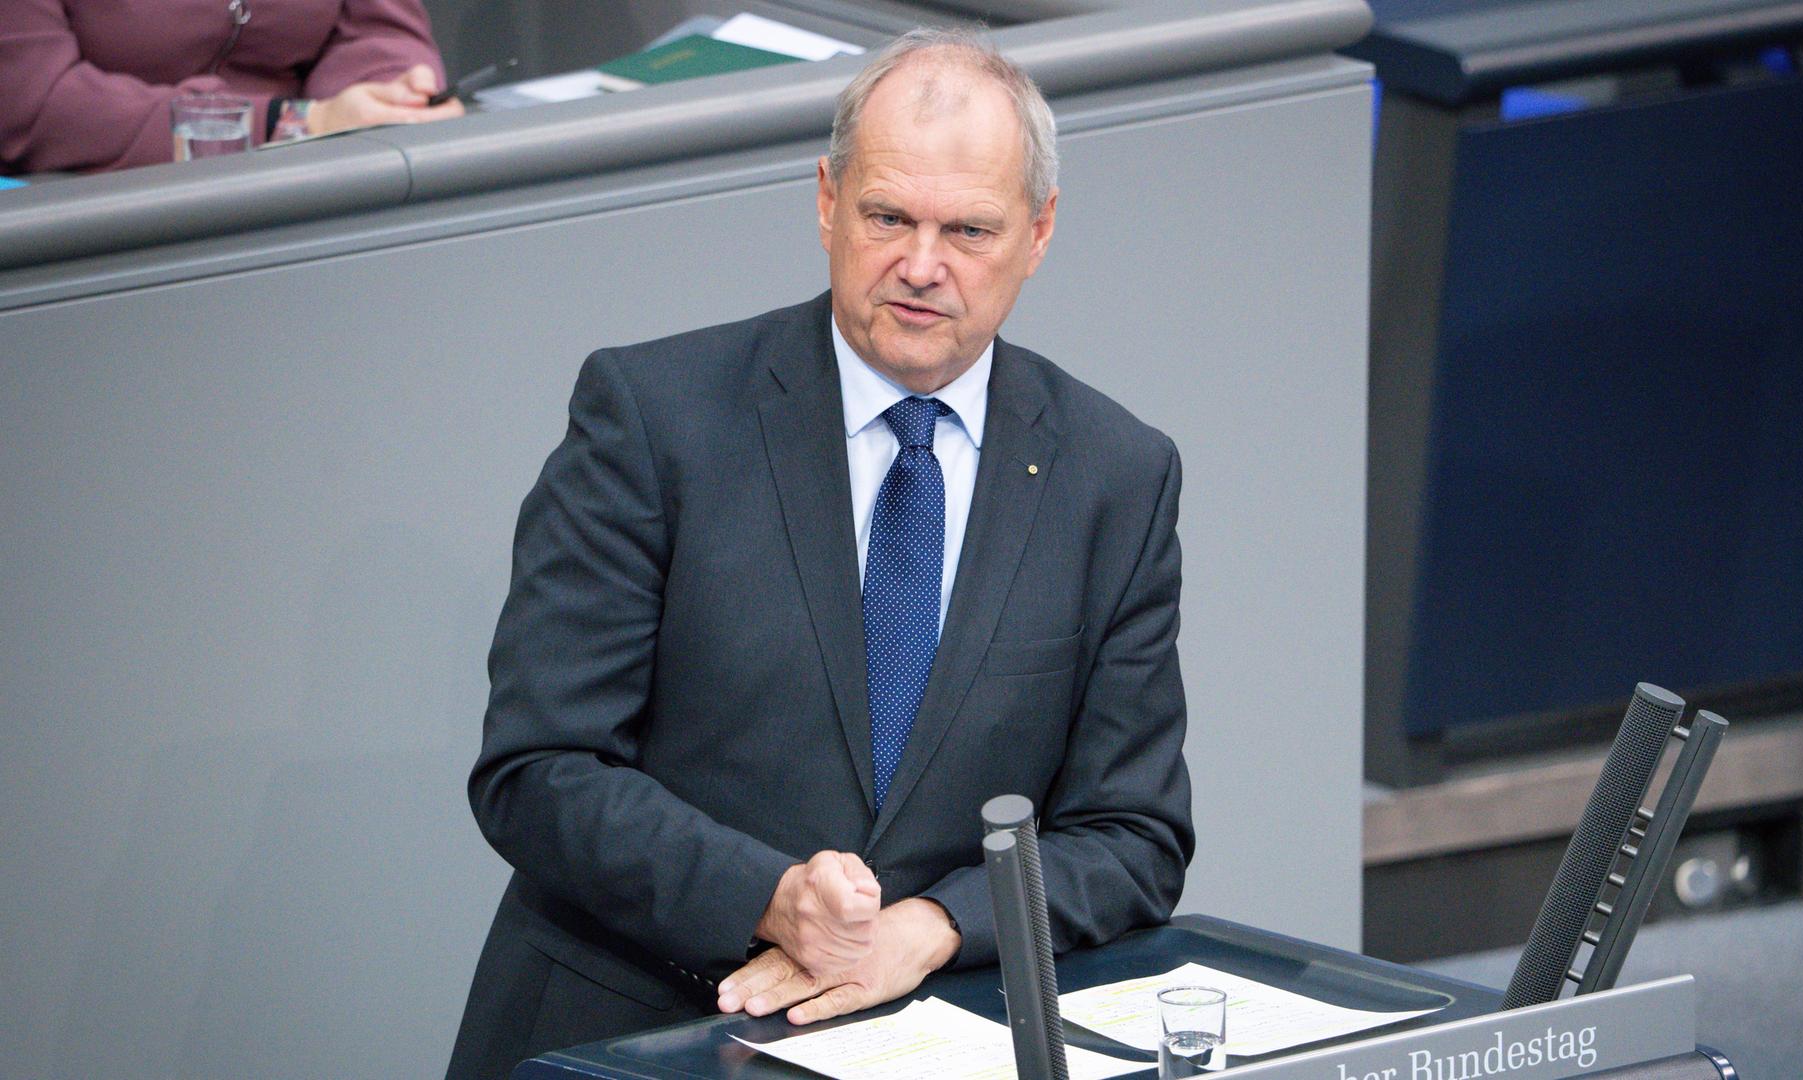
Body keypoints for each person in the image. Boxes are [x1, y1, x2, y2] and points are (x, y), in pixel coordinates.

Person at [445, 27, 1194, 1079]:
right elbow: (537, 770)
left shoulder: (1115, 473)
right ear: (826, 200)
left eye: (969, 230)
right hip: (637, 1035)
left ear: (1039, 231)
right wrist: (768, 897)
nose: (922, 267)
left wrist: (931, 923)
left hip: (932, 1043)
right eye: (888, 216)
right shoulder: (654, 420)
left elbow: (1132, 833)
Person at [0, 0, 462, 175]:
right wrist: (297, 123)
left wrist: (392, 99)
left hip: (310, 188)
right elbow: (34, 106)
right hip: (96, 217)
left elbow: (379, 31)